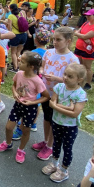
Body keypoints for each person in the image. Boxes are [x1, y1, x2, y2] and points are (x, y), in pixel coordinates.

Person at [32, 27, 80, 161]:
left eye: (59, 40)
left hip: (60, 96)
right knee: (47, 118)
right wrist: (42, 71)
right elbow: (42, 65)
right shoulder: (48, 52)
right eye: (54, 39)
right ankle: (46, 140)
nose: (55, 42)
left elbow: (74, 81)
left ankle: (50, 146)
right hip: (46, 91)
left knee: (55, 121)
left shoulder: (72, 60)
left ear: (68, 41)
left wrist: (56, 79)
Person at [0, 52, 49, 163]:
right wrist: (14, 93)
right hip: (18, 105)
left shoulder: (37, 81)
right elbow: (14, 86)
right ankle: (8, 144)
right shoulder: (19, 74)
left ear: (31, 67)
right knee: (9, 127)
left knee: (25, 130)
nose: (19, 61)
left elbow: (46, 97)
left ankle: (21, 150)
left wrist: (32, 102)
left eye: (22, 61)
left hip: (30, 108)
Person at [41, 64, 87, 182]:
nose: (65, 77)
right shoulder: (59, 86)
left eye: (70, 76)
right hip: (56, 122)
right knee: (56, 143)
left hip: (70, 126)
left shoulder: (81, 94)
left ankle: (64, 170)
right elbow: (52, 103)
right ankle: (54, 164)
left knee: (67, 148)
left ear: (79, 80)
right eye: (65, 74)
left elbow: (74, 114)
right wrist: (69, 107)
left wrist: (56, 106)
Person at [74, 9, 94, 91]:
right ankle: (79, 81)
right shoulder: (85, 23)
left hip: (89, 49)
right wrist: (82, 36)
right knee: (79, 65)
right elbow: (76, 32)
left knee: (87, 67)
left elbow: (82, 35)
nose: (87, 16)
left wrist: (82, 36)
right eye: (86, 15)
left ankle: (88, 84)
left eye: (89, 15)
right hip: (79, 47)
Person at [8, 3, 27, 72]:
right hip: (24, 35)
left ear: (11, 9)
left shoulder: (11, 16)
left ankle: (15, 68)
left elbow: (9, 26)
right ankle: (19, 66)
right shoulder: (22, 14)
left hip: (15, 35)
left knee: (13, 52)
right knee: (19, 51)